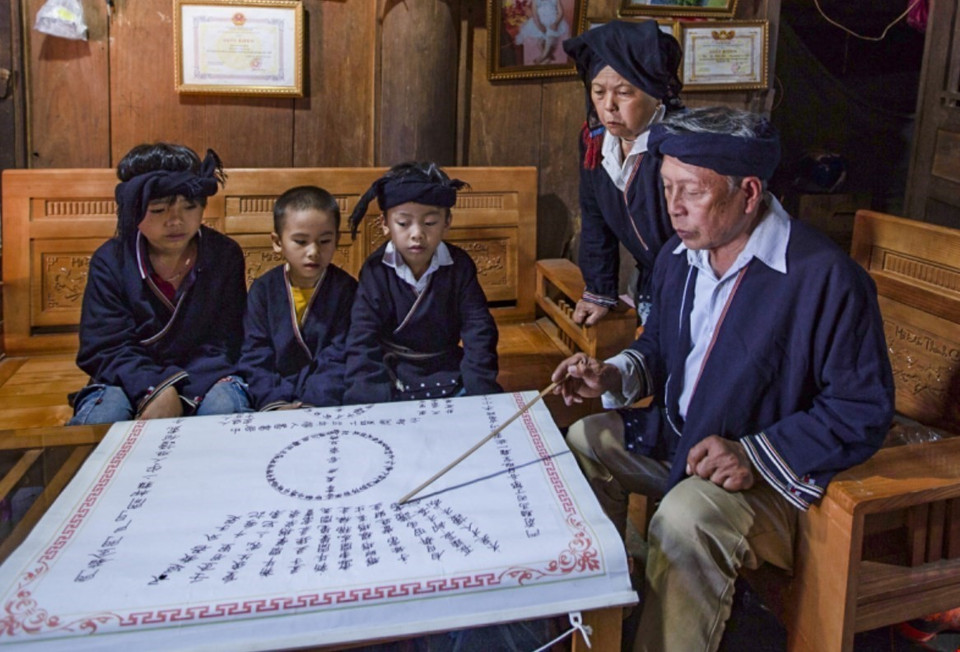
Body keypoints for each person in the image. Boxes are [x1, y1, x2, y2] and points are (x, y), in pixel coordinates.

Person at [550, 106, 895, 652]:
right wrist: (612, 373)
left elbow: (861, 408)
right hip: (686, 441)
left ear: (749, 193)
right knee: (584, 442)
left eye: (692, 191)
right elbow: (659, 347)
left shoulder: (823, 278)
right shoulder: (679, 257)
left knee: (685, 520)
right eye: (667, 188)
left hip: (772, 479)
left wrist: (752, 454)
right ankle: (612, 613)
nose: (674, 207)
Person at [70, 143, 250, 424]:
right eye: (158, 210)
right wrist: (156, 388)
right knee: (104, 419)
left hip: (205, 373)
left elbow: (227, 340)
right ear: (132, 211)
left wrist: (176, 391)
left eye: (189, 206)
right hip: (129, 375)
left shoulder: (224, 254)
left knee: (225, 413)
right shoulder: (111, 261)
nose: (175, 221)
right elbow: (105, 346)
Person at [343, 161, 501, 405]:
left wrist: (480, 385)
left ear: (447, 221)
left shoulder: (460, 266)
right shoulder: (376, 271)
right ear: (384, 223)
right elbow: (363, 335)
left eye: (429, 223)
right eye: (403, 223)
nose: (417, 234)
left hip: (446, 364)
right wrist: (368, 394)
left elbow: (478, 327)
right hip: (393, 367)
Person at [561, 20, 683, 326]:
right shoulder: (594, 141)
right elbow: (595, 218)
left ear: (656, 93)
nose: (608, 106)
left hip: (694, 280)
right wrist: (598, 290)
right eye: (598, 92)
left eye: (624, 92)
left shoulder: (680, 146)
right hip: (650, 280)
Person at [239, 185, 358, 410]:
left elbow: (340, 355)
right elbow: (255, 353)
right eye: (301, 242)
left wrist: (313, 402)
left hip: (325, 398)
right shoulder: (263, 290)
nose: (313, 252)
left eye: (324, 241)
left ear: (337, 239)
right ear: (277, 242)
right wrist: (276, 402)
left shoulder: (346, 290)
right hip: (272, 396)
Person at [515, 0, 569, 65]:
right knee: (540, 42)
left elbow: (561, 13)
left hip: (553, 21)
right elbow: (535, 15)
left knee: (551, 35)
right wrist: (540, 26)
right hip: (540, 22)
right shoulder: (535, 1)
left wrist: (556, 23)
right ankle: (547, 57)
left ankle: (542, 57)